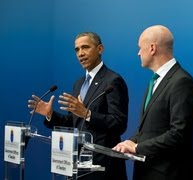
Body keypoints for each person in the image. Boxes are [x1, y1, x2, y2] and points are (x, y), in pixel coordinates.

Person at [28, 32, 128, 180]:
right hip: (77, 164)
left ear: (100, 49)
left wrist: (88, 114)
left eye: (85, 47)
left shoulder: (112, 81)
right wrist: (50, 114)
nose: (80, 53)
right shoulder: (79, 83)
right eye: (77, 49)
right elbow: (75, 122)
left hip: (103, 167)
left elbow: (119, 124)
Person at [113, 25, 193, 180]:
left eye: (140, 48)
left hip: (169, 174)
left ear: (152, 48)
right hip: (147, 172)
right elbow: (149, 128)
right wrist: (130, 142)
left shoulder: (182, 82)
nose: (138, 52)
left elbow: (178, 135)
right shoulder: (155, 81)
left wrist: (138, 147)